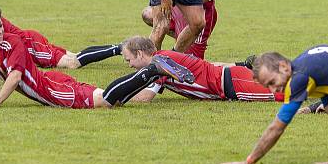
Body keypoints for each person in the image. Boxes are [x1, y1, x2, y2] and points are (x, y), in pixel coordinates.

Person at [0, 7, 194, 109]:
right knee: (112, 100)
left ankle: (151, 71)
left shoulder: (14, 43)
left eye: (0, 26)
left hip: (50, 89)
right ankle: (150, 73)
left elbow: (14, 77)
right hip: (52, 81)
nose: (0, 31)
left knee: (104, 100)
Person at [119, 36, 281, 102]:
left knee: (286, 93)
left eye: (129, 60)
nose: (129, 65)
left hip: (233, 84)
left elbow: (145, 97)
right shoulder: (160, 60)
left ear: (139, 53)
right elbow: (208, 65)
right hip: (230, 81)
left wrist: (112, 96)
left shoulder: (159, 62)